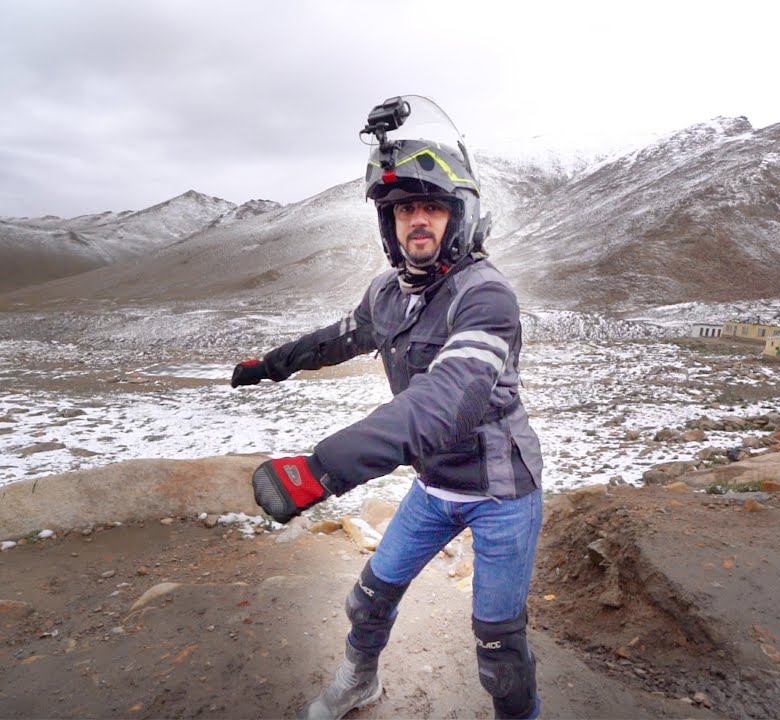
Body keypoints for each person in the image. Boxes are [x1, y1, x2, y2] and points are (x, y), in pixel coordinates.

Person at [229, 95, 544, 720]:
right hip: (435, 484)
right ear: (389, 224)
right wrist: (272, 364)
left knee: (498, 647)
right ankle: (359, 683)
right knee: (369, 599)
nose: (417, 222)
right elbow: (337, 338)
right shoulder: (388, 294)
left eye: (431, 207)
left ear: (459, 219)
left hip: (501, 489)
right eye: (404, 210)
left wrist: (323, 468)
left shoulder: (486, 299)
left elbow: (446, 400)